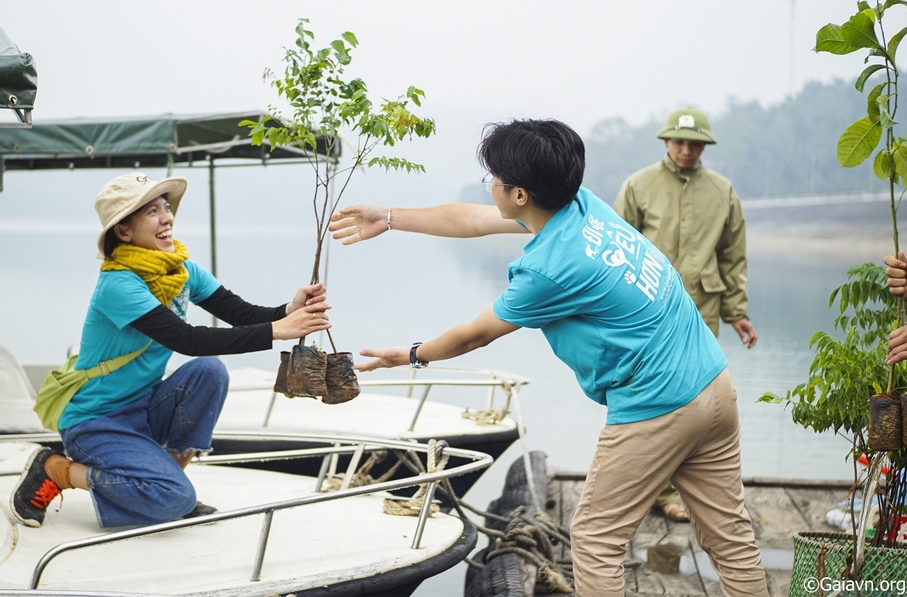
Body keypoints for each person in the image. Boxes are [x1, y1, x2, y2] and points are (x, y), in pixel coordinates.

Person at [329, 119, 768, 596]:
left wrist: (410, 354)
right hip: (713, 384)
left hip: (658, 404)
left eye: (494, 178)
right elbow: (474, 220)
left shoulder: (549, 269)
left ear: (520, 195)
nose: (489, 185)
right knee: (729, 535)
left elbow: (474, 335)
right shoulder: (582, 205)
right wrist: (389, 217)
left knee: (596, 538)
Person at [10, 172, 331, 529]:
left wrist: (288, 310)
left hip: (144, 408)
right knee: (175, 498)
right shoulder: (117, 284)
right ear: (124, 231)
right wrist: (276, 333)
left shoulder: (180, 270)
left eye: (166, 207)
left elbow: (240, 313)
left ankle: (163, 484)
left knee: (210, 371)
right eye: (151, 211)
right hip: (96, 420)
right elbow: (186, 340)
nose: (167, 217)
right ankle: (58, 470)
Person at [613, 106, 759, 523]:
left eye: (695, 144)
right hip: (647, 310)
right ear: (666, 141)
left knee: (695, 398)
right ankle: (644, 488)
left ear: (704, 147)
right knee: (645, 395)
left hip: (703, 308)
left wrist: (738, 312)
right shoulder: (639, 187)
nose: (686, 150)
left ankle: (676, 491)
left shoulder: (722, 192)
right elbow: (616, 249)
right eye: (679, 141)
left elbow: (733, 256)